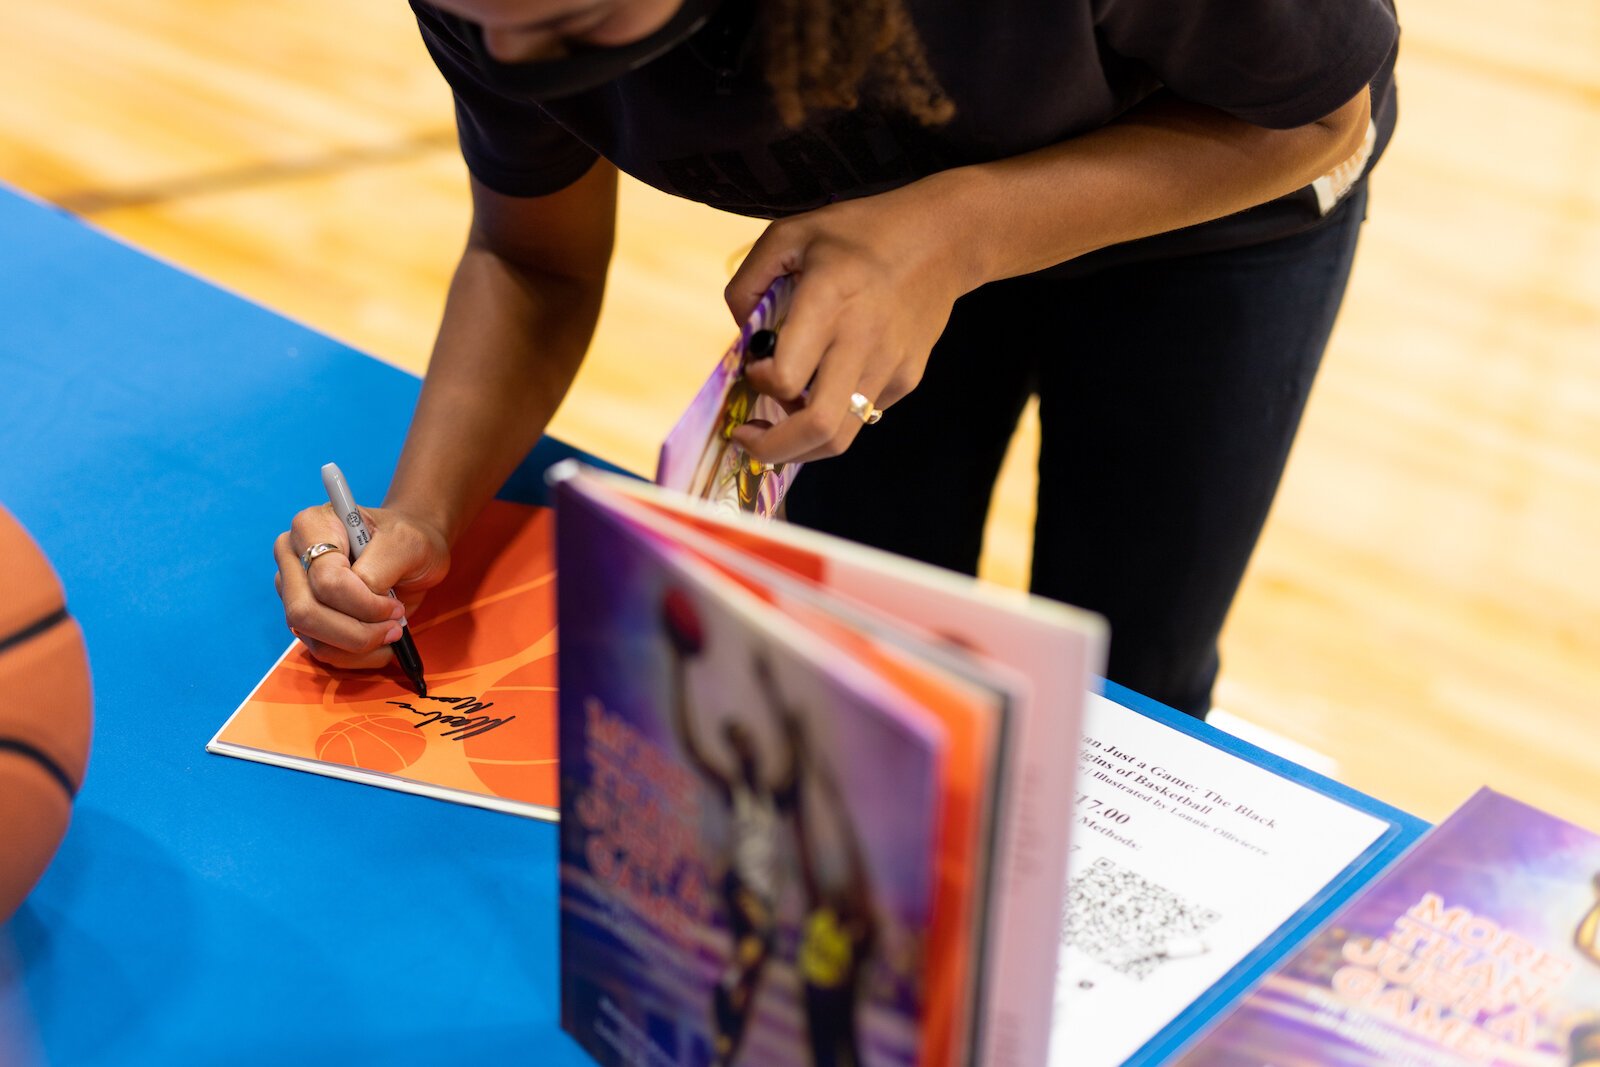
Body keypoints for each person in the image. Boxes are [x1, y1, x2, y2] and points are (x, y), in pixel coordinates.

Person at [274, 0, 1400, 718]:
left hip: (1206, 211)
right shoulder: (499, 15)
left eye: (575, 25)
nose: (513, 60)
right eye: (475, 25)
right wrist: (419, 513)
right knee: (856, 666)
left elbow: (1317, 120)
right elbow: (533, 263)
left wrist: (950, 231)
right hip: (866, 246)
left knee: (1132, 685)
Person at [665, 630, 799, 1065]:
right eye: (738, 742)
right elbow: (690, 743)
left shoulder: (772, 795)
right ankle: (725, 1001)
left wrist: (772, 689)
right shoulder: (732, 790)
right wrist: (679, 669)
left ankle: (727, 1044)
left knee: (752, 975)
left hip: (763, 896)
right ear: (736, 753)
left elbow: (794, 758)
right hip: (739, 886)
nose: (747, 747)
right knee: (761, 940)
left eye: (748, 739)